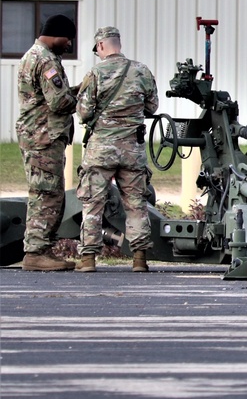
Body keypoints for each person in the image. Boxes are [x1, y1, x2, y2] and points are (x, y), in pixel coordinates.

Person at [75, 27, 159, 273]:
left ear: (101, 46)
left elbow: (84, 112)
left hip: (100, 150)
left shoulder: (95, 73)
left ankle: (88, 259)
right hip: (132, 149)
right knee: (136, 203)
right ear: (118, 44)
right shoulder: (142, 70)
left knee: (93, 203)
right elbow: (152, 107)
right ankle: (140, 259)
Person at [16, 14, 80, 271]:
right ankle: (36, 253)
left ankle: (42, 250)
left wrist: (73, 90)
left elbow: (48, 97)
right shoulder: (45, 60)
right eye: (67, 39)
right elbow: (59, 102)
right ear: (56, 35)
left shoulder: (33, 55)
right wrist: (85, 97)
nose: (69, 45)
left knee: (46, 192)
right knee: (46, 194)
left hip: (39, 136)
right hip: (43, 138)